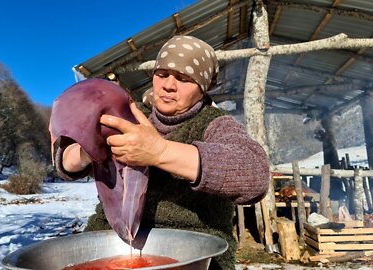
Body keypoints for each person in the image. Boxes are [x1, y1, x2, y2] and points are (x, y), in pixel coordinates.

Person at [55, 35, 270, 269]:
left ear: (203, 87)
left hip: (193, 254)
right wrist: (88, 149)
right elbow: (63, 163)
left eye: (184, 78)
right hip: (110, 242)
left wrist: (159, 151)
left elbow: (255, 176)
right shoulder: (128, 114)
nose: (169, 85)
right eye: (162, 74)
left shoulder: (216, 124)